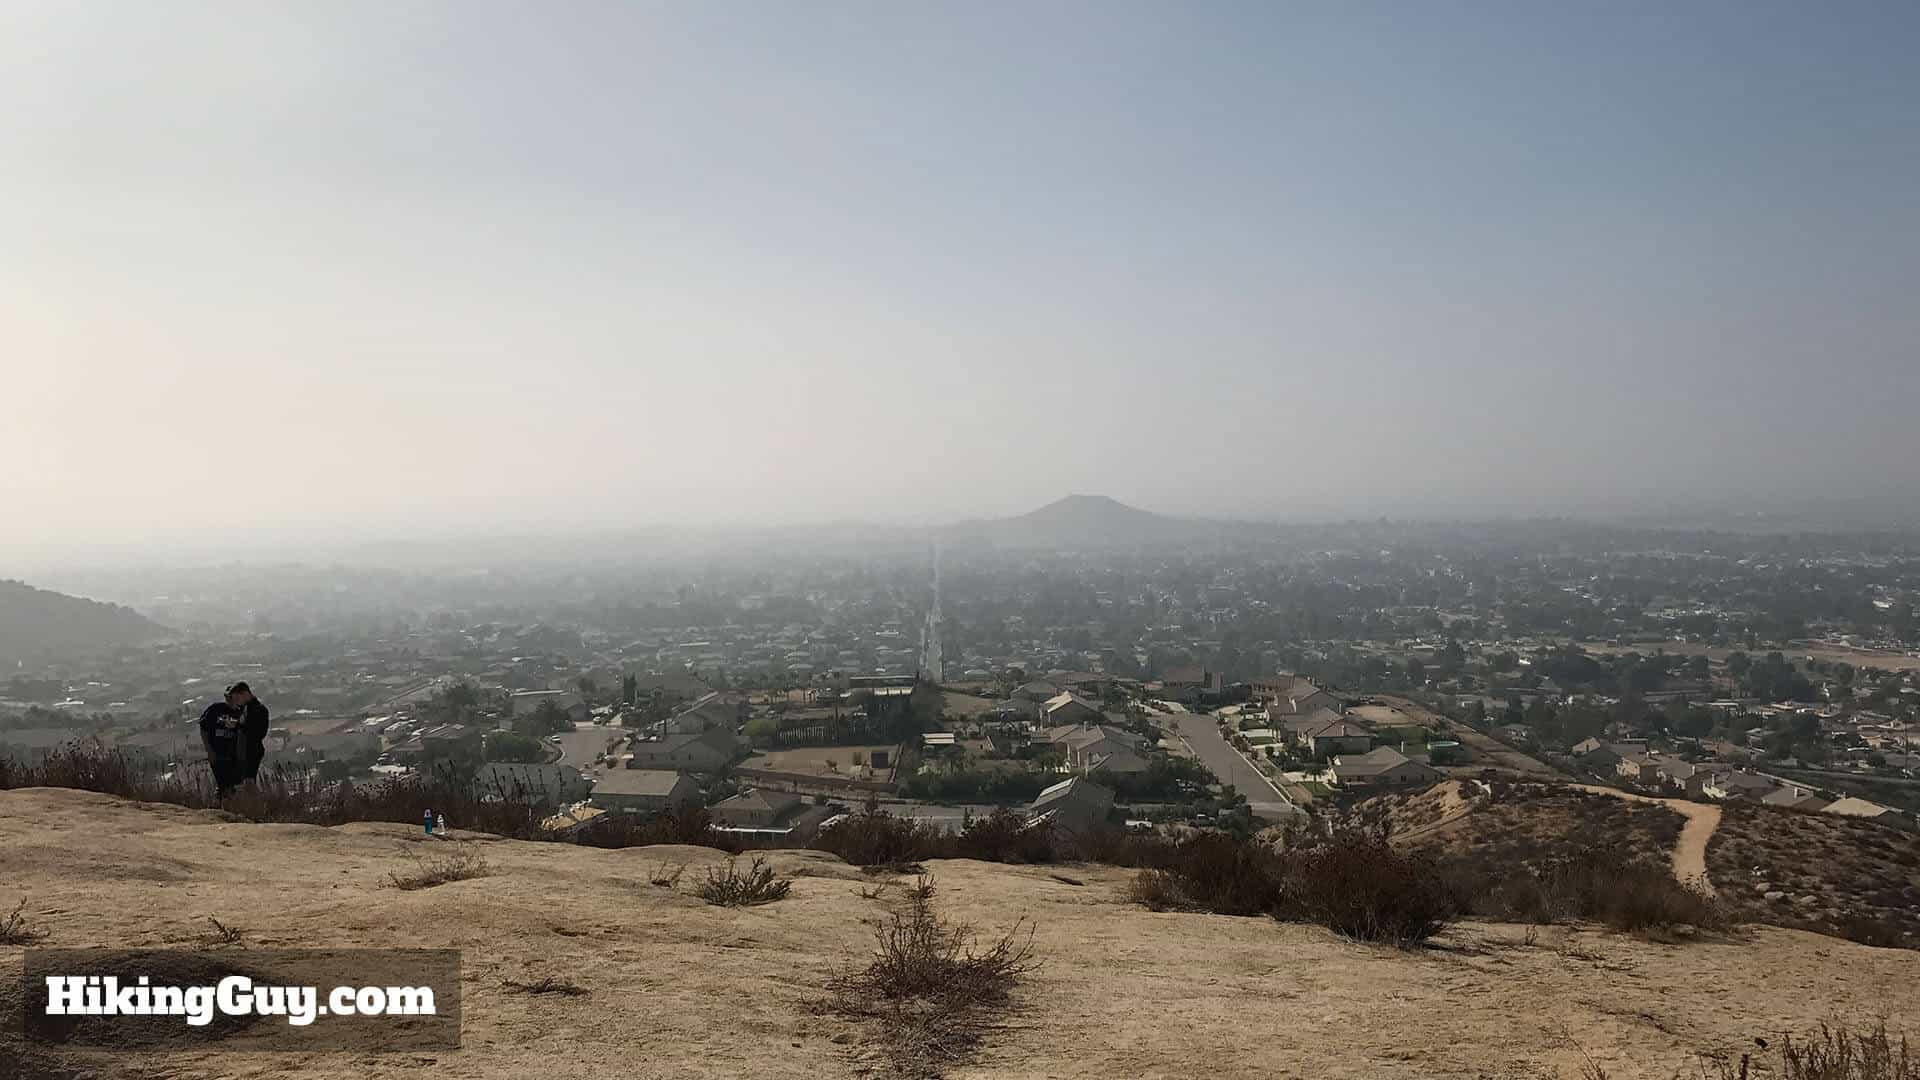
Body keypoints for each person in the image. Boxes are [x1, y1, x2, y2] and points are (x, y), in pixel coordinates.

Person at [198, 686, 247, 798]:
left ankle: (224, 808)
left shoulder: (243, 713)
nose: (231, 699)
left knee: (233, 786)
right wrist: (209, 750)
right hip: (218, 755)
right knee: (224, 785)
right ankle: (222, 808)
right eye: (229, 696)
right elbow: (203, 729)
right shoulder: (215, 710)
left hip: (235, 756)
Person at [229, 682, 271, 784]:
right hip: (241, 752)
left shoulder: (260, 710)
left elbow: (259, 733)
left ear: (245, 694)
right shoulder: (244, 708)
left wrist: (237, 725)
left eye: (237, 699)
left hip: (252, 752)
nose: (237, 702)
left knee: (249, 783)